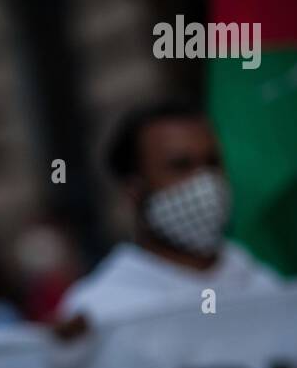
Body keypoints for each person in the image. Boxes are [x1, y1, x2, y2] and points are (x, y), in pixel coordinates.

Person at [58, 100, 280, 326]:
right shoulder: (100, 310)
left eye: (212, 163)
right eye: (181, 166)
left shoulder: (264, 284)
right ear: (134, 188)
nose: (204, 182)